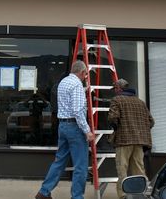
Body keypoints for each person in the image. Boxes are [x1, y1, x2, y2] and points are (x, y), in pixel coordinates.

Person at [35, 61, 94, 199]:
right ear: (82, 73)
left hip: (63, 126)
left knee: (59, 161)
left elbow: (68, 100)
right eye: (86, 74)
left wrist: (84, 90)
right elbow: (78, 111)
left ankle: (44, 192)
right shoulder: (77, 85)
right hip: (75, 127)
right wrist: (87, 131)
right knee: (81, 166)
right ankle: (77, 197)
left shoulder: (63, 82)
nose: (86, 77)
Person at [108, 78, 155, 199]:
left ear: (119, 88)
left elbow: (113, 118)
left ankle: (123, 196)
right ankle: (141, 195)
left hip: (123, 141)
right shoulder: (140, 102)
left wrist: (118, 129)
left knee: (122, 170)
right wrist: (140, 131)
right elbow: (151, 121)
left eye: (115, 89)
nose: (115, 91)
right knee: (139, 170)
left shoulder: (117, 100)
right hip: (139, 142)